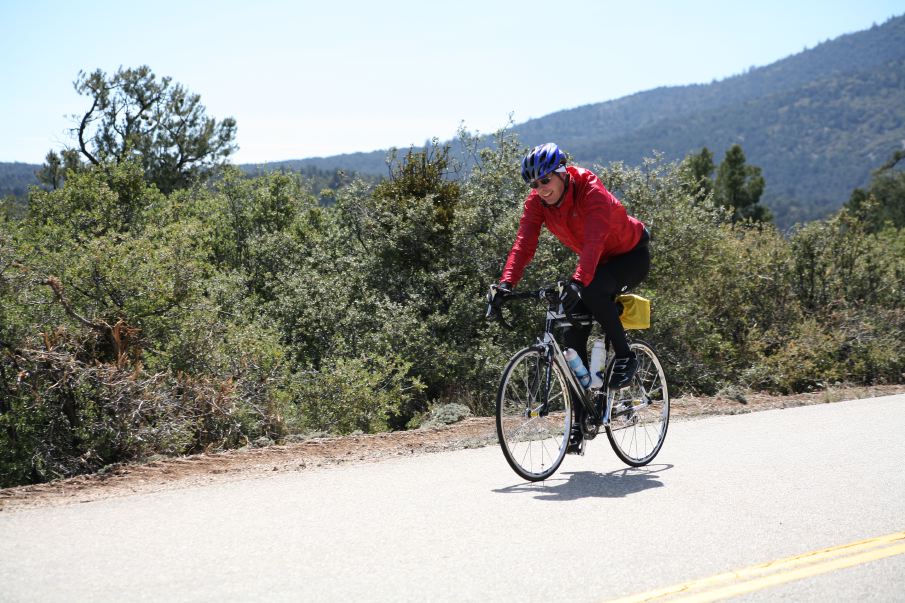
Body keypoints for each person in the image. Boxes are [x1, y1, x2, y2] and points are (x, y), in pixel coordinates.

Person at [488, 142, 651, 393]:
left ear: (562, 172)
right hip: (596, 263)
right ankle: (581, 417)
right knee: (570, 324)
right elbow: (524, 244)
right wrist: (506, 284)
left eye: (545, 180)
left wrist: (578, 282)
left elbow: (595, 239)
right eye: (534, 184)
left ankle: (625, 357)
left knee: (592, 289)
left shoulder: (590, 189)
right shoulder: (537, 203)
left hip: (630, 255)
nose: (541, 189)